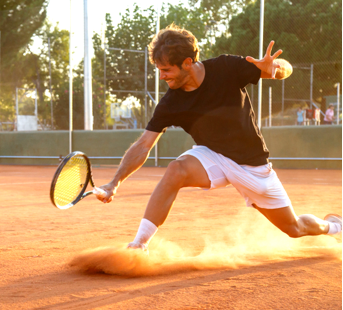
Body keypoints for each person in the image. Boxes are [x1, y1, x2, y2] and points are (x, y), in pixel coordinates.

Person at [95, 25, 342, 251]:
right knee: (176, 170)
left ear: (187, 63)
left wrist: (275, 70)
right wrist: (115, 182)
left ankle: (333, 226)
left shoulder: (226, 68)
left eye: (166, 70)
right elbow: (143, 145)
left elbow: (283, 69)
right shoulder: (171, 103)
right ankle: (139, 244)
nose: (162, 77)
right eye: (159, 70)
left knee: (294, 228)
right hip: (212, 155)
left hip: (252, 164)